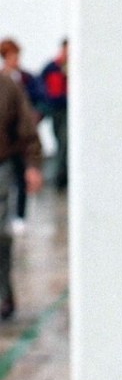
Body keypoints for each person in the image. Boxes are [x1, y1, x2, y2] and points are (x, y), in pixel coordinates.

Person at [0, 73, 43, 319]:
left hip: (1, 166)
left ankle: (3, 293)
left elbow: (26, 127)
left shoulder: (7, 86)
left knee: (0, 234)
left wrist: (33, 165)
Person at [0, 38, 44, 234]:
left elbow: (26, 122)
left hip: (10, 150)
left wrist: (33, 163)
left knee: (14, 185)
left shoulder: (16, 82)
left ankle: (19, 216)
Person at [39, 39, 67, 190]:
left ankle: (61, 177)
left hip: (66, 109)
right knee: (59, 140)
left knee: (64, 141)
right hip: (55, 109)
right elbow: (41, 84)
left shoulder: (70, 68)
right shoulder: (52, 67)